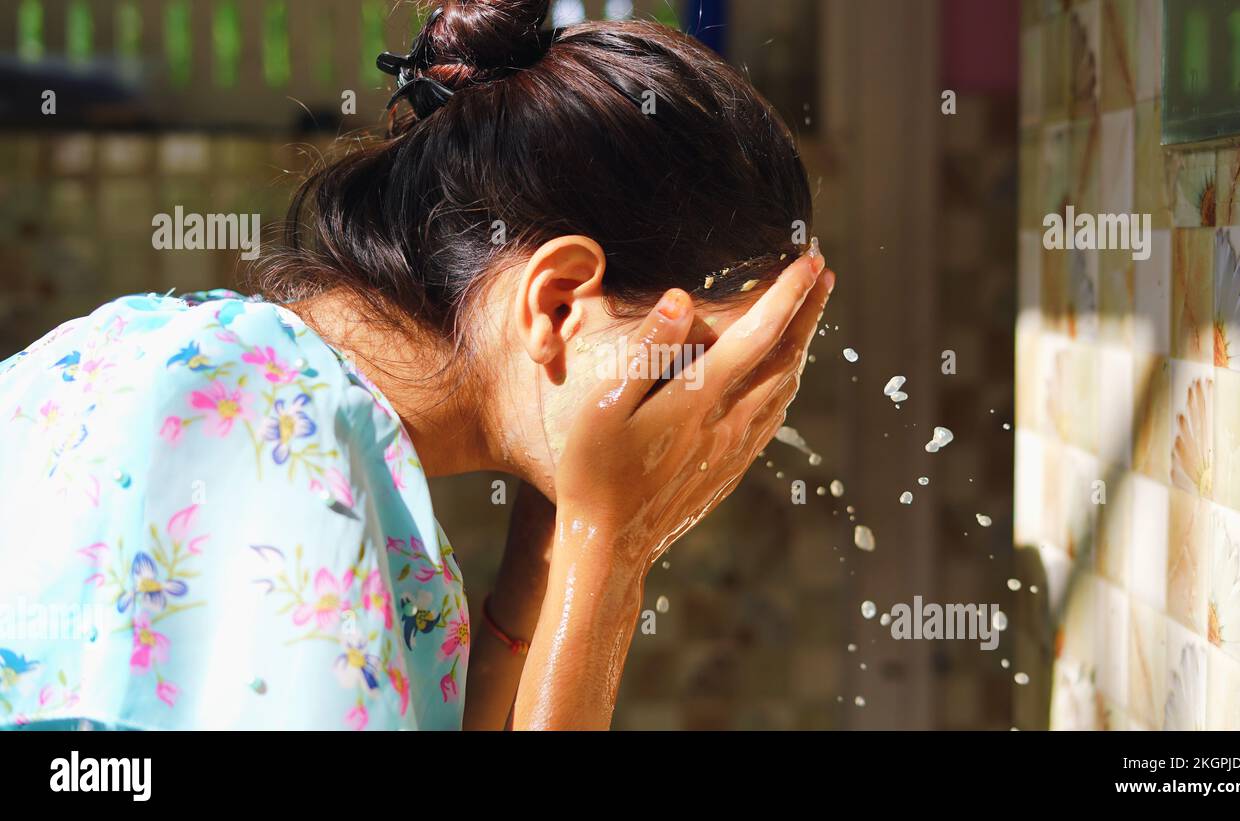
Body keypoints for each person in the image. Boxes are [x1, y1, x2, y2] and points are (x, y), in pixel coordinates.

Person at [0, 0, 832, 730]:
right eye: (698, 366)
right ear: (558, 305)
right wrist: (608, 549)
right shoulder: (259, 427)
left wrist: (535, 587)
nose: (703, 426)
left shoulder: (250, 387)